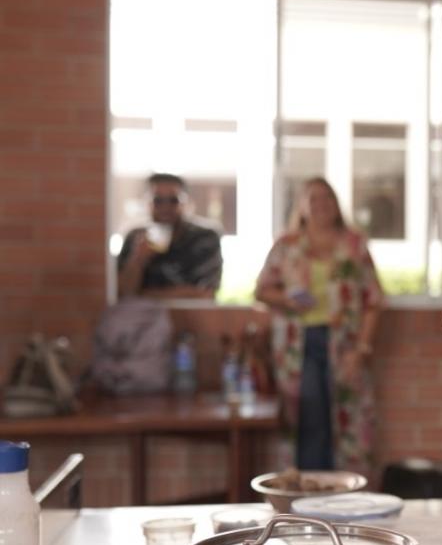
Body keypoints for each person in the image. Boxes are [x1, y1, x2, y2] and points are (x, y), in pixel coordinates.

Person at [254, 178, 382, 472]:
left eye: (327, 198)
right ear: (301, 205)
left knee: (347, 420)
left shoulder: (354, 245)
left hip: (345, 344)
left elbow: (373, 300)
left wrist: (361, 349)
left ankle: (344, 497)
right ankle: (307, 495)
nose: (321, 204)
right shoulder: (287, 245)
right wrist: (288, 299)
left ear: (337, 204)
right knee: (308, 419)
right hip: (297, 347)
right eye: (313, 198)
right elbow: (262, 291)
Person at [116, 173, 223, 299]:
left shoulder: (205, 237)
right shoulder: (135, 237)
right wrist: (138, 260)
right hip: (141, 317)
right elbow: (121, 293)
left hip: (191, 318)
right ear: (148, 203)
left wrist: (142, 295)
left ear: (185, 203)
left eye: (173, 200)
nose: (165, 207)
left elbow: (204, 294)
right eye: (158, 200)